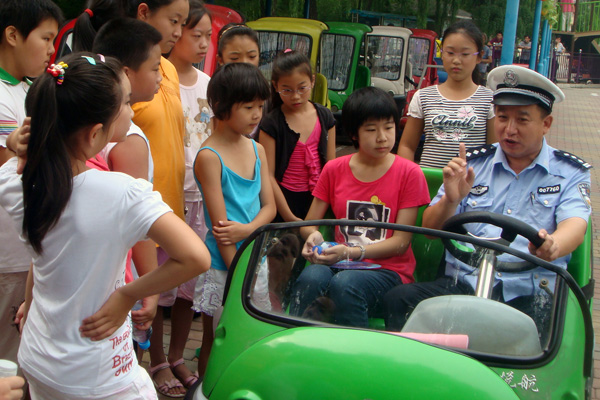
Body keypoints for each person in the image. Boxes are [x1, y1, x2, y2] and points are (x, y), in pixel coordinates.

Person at [0, 53, 210, 400]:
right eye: (126, 103)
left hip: (38, 357)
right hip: (98, 375)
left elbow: (41, 257)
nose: (132, 111)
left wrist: (15, 145)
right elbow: (196, 258)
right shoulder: (120, 193)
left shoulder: (14, 182)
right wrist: (127, 294)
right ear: (96, 134)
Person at [384, 66, 591, 341]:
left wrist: (553, 245)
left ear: (546, 124)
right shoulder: (472, 165)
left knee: (541, 336)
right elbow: (430, 228)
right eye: (502, 118)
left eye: (522, 120)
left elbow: (575, 225)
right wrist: (451, 199)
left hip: (529, 292)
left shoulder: (569, 172)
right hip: (463, 284)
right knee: (399, 300)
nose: (509, 129)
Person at [289, 86, 430, 328]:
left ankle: (357, 349)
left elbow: (401, 242)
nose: (382, 137)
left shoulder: (409, 173)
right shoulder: (334, 169)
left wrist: (351, 252)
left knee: (346, 284)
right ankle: (296, 340)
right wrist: (313, 237)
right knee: (311, 277)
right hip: (338, 262)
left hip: (388, 271)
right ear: (354, 133)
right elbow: (310, 223)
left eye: (388, 127)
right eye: (371, 130)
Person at [123, 1, 191, 396]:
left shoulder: (167, 68)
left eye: (184, 22)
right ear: (144, 12)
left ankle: (157, 360)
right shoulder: (124, 72)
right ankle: (142, 366)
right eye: (174, 20)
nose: (179, 31)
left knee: (160, 296)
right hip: (138, 213)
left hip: (167, 205)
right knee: (141, 295)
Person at [193, 62, 276, 378]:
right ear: (221, 106)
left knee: (253, 337)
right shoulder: (209, 157)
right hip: (223, 265)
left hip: (255, 258)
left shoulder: (257, 149)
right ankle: (207, 390)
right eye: (248, 107)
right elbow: (222, 231)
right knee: (217, 339)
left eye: (260, 106)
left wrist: (249, 230)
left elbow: (269, 207)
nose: (257, 114)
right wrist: (240, 274)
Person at [0, 0, 62, 385]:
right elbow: (10, 165)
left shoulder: (31, 89)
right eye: (46, 38)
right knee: (9, 358)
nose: (52, 50)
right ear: (12, 35)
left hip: (28, 250)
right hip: (7, 254)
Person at [161, 0, 213, 390]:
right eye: (197, 35)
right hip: (167, 197)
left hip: (200, 197)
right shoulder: (158, 80)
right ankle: (156, 359)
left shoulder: (208, 85)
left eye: (208, 36)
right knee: (158, 282)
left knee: (187, 287)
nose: (203, 44)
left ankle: (177, 355)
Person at [397, 20, 495, 168]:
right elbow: (407, 146)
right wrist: (410, 178)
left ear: (479, 56)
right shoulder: (423, 97)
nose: (456, 60)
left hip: (471, 181)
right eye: (450, 53)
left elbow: (493, 151)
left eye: (465, 54)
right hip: (430, 181)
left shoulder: (489, 99)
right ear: (442, 53)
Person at [258, 50, 336, 222]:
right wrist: (289, 217)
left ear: (312, 81)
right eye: (287, 90)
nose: (295, 96)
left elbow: (331, 167)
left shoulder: (325, 117)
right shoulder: (271, 123)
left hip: (319, 199)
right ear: (275, 86)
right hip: (284, 202)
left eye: (302, 88)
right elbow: (268, 175)